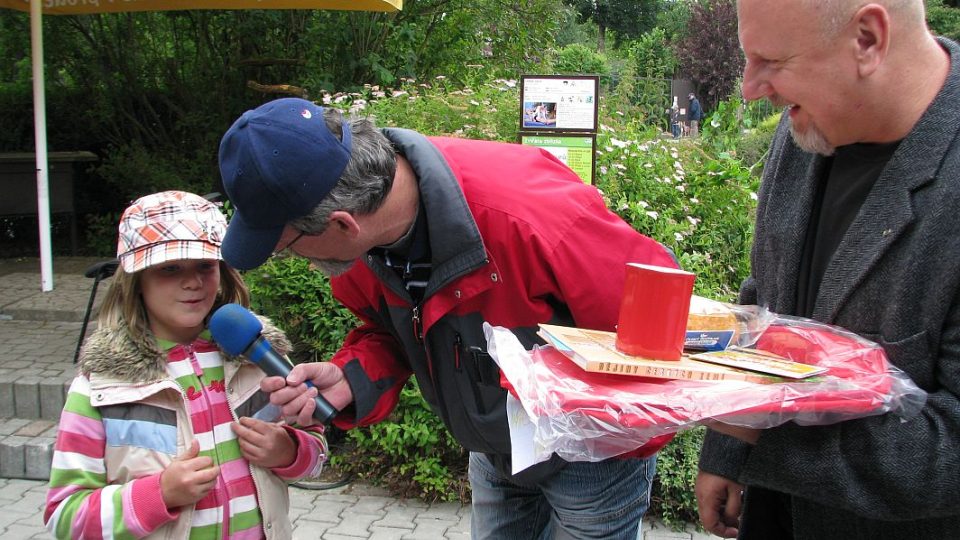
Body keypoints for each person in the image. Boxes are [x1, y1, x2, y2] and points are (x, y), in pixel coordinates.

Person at [216, 97, 680, 538]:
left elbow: (659, 320)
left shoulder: (529, 215)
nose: (300, 261)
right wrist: (349, 377)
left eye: (290, 247)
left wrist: (609, 445)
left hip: (589, 461)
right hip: (497, 450)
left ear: (341, 223)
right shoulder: (362, 245)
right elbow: (391, 332)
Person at [695, 1, 960, 539]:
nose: (749, 88)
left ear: (867, 38)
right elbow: (763, 302)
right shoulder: (805, 130)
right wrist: (726, 451)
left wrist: (751, 432)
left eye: (769, 60)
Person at [44, 191, 328, 539]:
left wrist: (289, 450)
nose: (193, 281)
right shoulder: (100, 388)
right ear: (136, 280)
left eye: (205, 266)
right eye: (171, 268)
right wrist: (159, 494)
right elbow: (65, 519)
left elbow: (315, 453)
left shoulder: (258, 359)